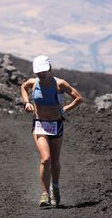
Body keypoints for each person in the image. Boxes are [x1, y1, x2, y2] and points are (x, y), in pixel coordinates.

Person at [21, 55, 83, 207]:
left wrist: (64, 109)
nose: (40, 75)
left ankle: (55, 187)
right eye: (38, 72)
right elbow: (23, 87)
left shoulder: (59, 84)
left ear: (49, 68)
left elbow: (78, 98)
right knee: (46, 159)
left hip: (56, 124)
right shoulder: (33, 83)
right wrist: (27, 103)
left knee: (55, 161)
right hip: (40, 124)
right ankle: (44, 194)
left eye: (42, 71)